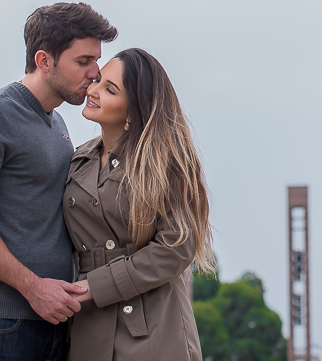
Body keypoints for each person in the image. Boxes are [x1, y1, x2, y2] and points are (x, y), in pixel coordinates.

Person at [0, 2, 119, 361]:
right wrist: (34, 288)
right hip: (0, 325)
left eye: (97, 60)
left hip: (54, 320)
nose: (95, 73)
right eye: (83, 61)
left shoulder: (58, 125)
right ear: (44, 61)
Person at [64, 47, 213, 359]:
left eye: (110, 89)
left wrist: (95, 286)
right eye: (97, 81)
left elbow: (177, 247)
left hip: (154, 325)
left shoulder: (168, 164)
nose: (93, 90)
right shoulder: (76, 161)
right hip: (89, 326)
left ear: (133, 110)